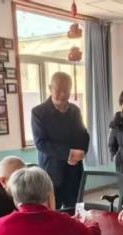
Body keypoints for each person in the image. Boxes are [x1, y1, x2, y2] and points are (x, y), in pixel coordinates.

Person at [31, 72, 89, 209]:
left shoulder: (74, 110)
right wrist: (69, 154)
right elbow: (40, 143)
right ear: (50, 88)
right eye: (58, 90)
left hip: (74, 171)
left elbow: (83, 135)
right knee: (52, 212)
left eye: (66, 90)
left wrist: (81, 152)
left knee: (76, 210)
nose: (63, 94)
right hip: (52, 173)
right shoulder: (39, 112)